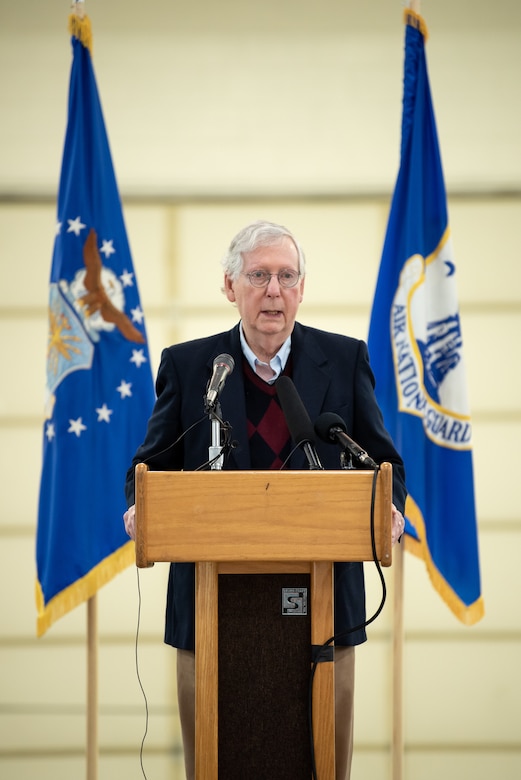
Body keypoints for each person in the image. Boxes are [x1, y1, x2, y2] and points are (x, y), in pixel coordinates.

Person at [124, 219, 406, 780]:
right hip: (210, 607)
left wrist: (389, 508)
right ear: (231, 287)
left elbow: (384, 465)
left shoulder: (344, 360)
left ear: (302, 288)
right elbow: (149, 465)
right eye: (258, 275)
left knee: (321, 761)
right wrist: (141, 505)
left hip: (327, 606)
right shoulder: (190, 366)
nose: (273, 290)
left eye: (286, 276)